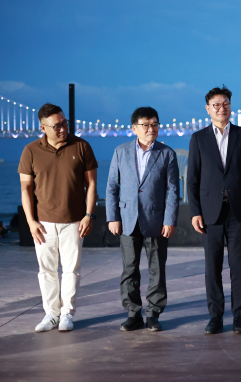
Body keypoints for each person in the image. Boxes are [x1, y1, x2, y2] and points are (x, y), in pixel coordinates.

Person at [187, 85, 241, 334]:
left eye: (226, 103)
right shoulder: (198, 138)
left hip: (238, 212)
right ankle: (215, 317)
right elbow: (192, 179)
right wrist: (195, 212)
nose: (222, 108)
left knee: (238, 267)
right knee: (212, 269)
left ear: (231, 106)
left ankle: (239, 317)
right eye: (216, 105)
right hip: (210, 214)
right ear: (207, 109)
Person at [19, 103, 97, 332]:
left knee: (71, 270)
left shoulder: (81, 146)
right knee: (46, 271)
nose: (63, 129)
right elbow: (25, 188)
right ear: (43, 127)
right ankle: (51, 314)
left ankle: (67, 314)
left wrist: (88, 215)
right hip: (43, 223)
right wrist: (31, 221)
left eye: (65, 123)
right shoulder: (30, 150)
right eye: (57, 126)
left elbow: (92, 184)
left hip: (74, 221)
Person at [106, 106, 179, 332]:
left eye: (155, 124)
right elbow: (112, 186)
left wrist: (170, 220)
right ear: (134, 128)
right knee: (129, 269)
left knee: (157, 269)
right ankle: (133, 313)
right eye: (146, 125)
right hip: (127, 219)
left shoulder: (167, 153)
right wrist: (112, 217)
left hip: (156, 220)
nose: (151, 129)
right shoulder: (120, 151)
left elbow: (173, 190)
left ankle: (153, 314)